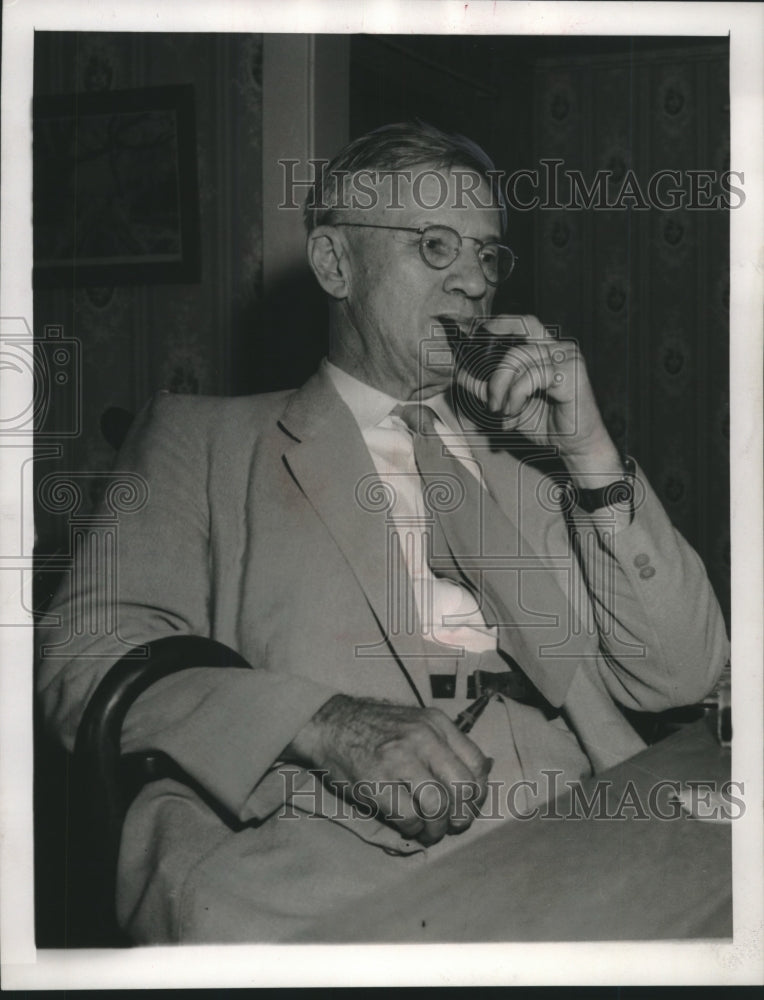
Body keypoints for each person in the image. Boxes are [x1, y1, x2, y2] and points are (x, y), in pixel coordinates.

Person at [36, 122, 729, 943]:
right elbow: (85, 658)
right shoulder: (204, 440)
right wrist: (326, 723)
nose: (475, 281)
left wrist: (590, 454)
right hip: (331, 863)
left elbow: (684, 678)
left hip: (585, 827)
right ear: (336, 265)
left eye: (488, 255)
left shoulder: (528, 450)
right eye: (436, 246)